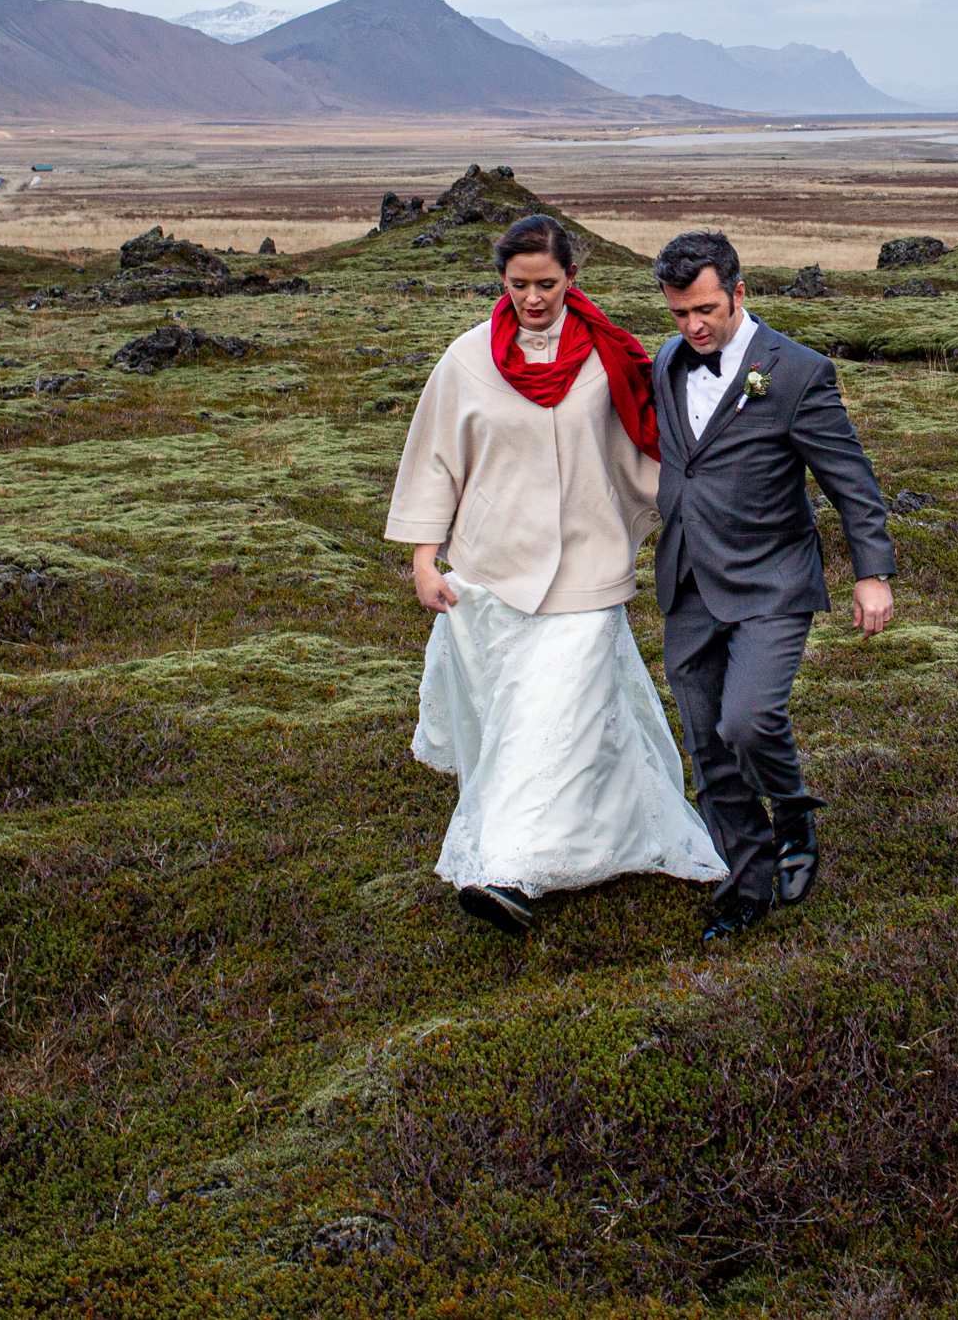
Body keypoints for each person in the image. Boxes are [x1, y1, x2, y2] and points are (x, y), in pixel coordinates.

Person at [384, 214, 727, 935]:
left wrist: (714, 509)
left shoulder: (612, 358)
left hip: (587, 569)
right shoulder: (467, 360)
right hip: (491, 571)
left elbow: (658, 437)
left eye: (547, 284)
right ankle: (610, 831)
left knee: (552, 717)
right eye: (519, 285)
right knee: (521, 719)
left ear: (573, 277)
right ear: (500, 281)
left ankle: (507, 870)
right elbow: (434, 459)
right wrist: (423, 557)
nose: (533, 298)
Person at [651, 230, 896, 942]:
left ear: (738, 291)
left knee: (748, 721)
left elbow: (851, 480)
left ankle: (791, 809)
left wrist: (872, 572)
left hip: (772, 581)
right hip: (689, 580)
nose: (693, 326)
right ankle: (745, 881)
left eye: (704, 309)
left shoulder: (796, 372)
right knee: (705, 743)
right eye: (677, 314)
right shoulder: (667, 361)